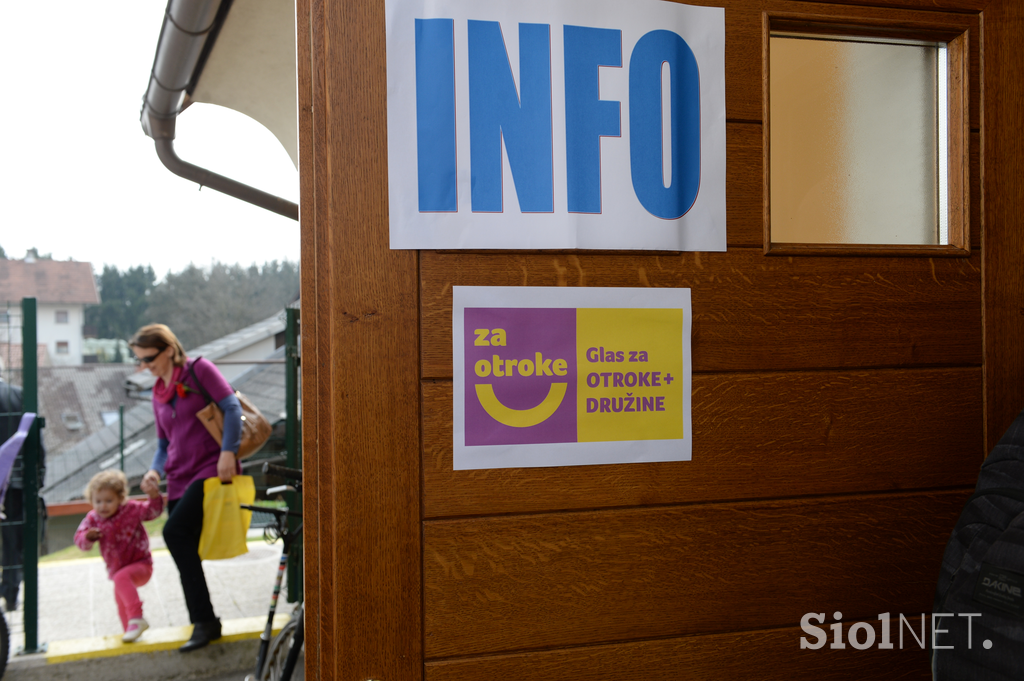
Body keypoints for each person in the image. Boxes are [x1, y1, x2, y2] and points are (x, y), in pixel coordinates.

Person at [130, 324, 243, 653]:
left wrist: (228, 452)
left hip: (210, 467)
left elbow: (232, 407)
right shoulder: (157, 391)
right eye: (140, 360)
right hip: (178, 476)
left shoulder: (198, 370)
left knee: (173, 533)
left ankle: (203, 621)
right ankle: (207, 621)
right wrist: (154, 469)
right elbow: (164, 443)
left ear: (168, 349)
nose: (145, 365)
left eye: (149, 358)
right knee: (184, 549)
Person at [73, 470, 163, 642]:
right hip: (118, 571)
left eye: (109, 501)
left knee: (121, 578)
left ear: (120, 498)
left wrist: (154, 496)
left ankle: (137, 619)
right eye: (97, 501)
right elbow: (79, 539)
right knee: (121, 601)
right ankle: (129, 630)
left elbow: (153, 511)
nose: (102, 506)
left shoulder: (131, 510)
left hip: (141, 565)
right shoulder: (93, 518)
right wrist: (87, 537)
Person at [0, 374, 45, 613]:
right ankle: (11, 592)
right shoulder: (19, 395)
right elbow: (36, 437)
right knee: (11, 541)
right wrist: (39, 476)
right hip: (15, 479)